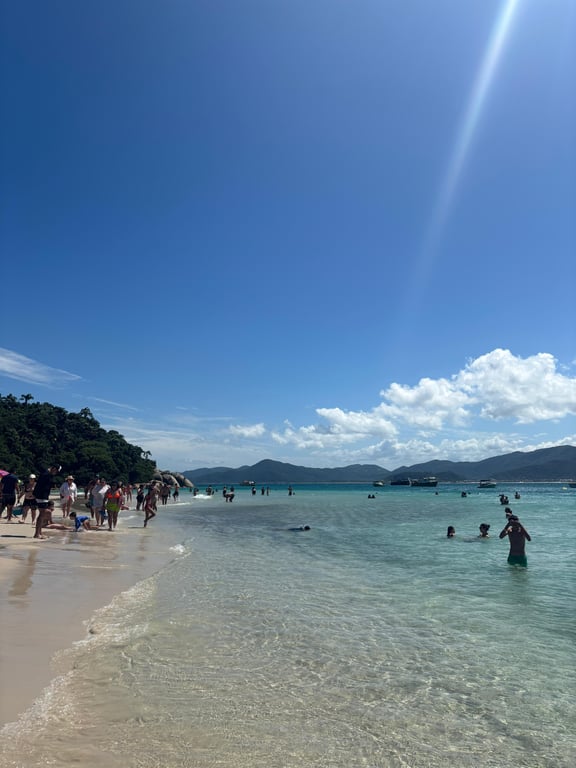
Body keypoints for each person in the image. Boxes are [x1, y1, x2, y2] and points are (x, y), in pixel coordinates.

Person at [33, 465, 61, 539]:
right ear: (54, 468)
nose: (56, 473)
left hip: (41, 496)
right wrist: (36, 494)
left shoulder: (45, 473)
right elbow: (40, 486)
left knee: (42, 514)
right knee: (42, 514)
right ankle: (37, 534)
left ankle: (39, 533)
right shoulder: (46, 474)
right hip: (42, 496)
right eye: (56, 471)